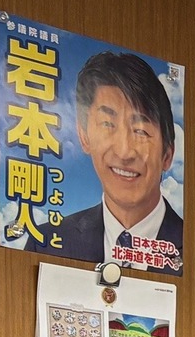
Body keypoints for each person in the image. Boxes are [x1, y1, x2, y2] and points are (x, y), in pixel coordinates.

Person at [61, 48, 183, 273]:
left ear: (167, 154)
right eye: (107, 124)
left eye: (141, 130)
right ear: (84, 136)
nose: (124, 152)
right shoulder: (49, 240)